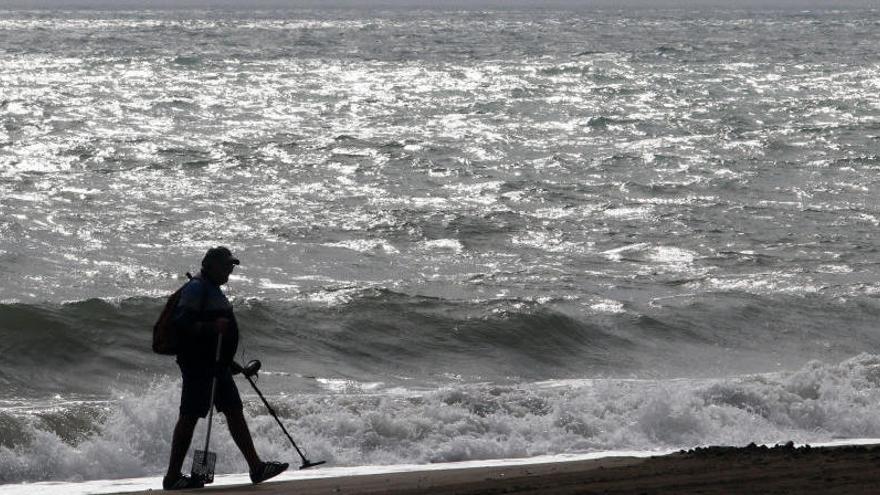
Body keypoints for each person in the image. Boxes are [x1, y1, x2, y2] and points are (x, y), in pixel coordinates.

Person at [163, 246, 288, 490]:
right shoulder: (197, 287)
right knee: (189, 417)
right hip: (199, 366)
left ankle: (256, 467)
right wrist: (211, 328)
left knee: (234, 411)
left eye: (231, 265)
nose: (229, 269)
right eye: (225, 265)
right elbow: (181, 322)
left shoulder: (212, 289)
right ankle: (172, 476)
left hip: (217, 365)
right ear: (209, 266)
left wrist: (230, 362)